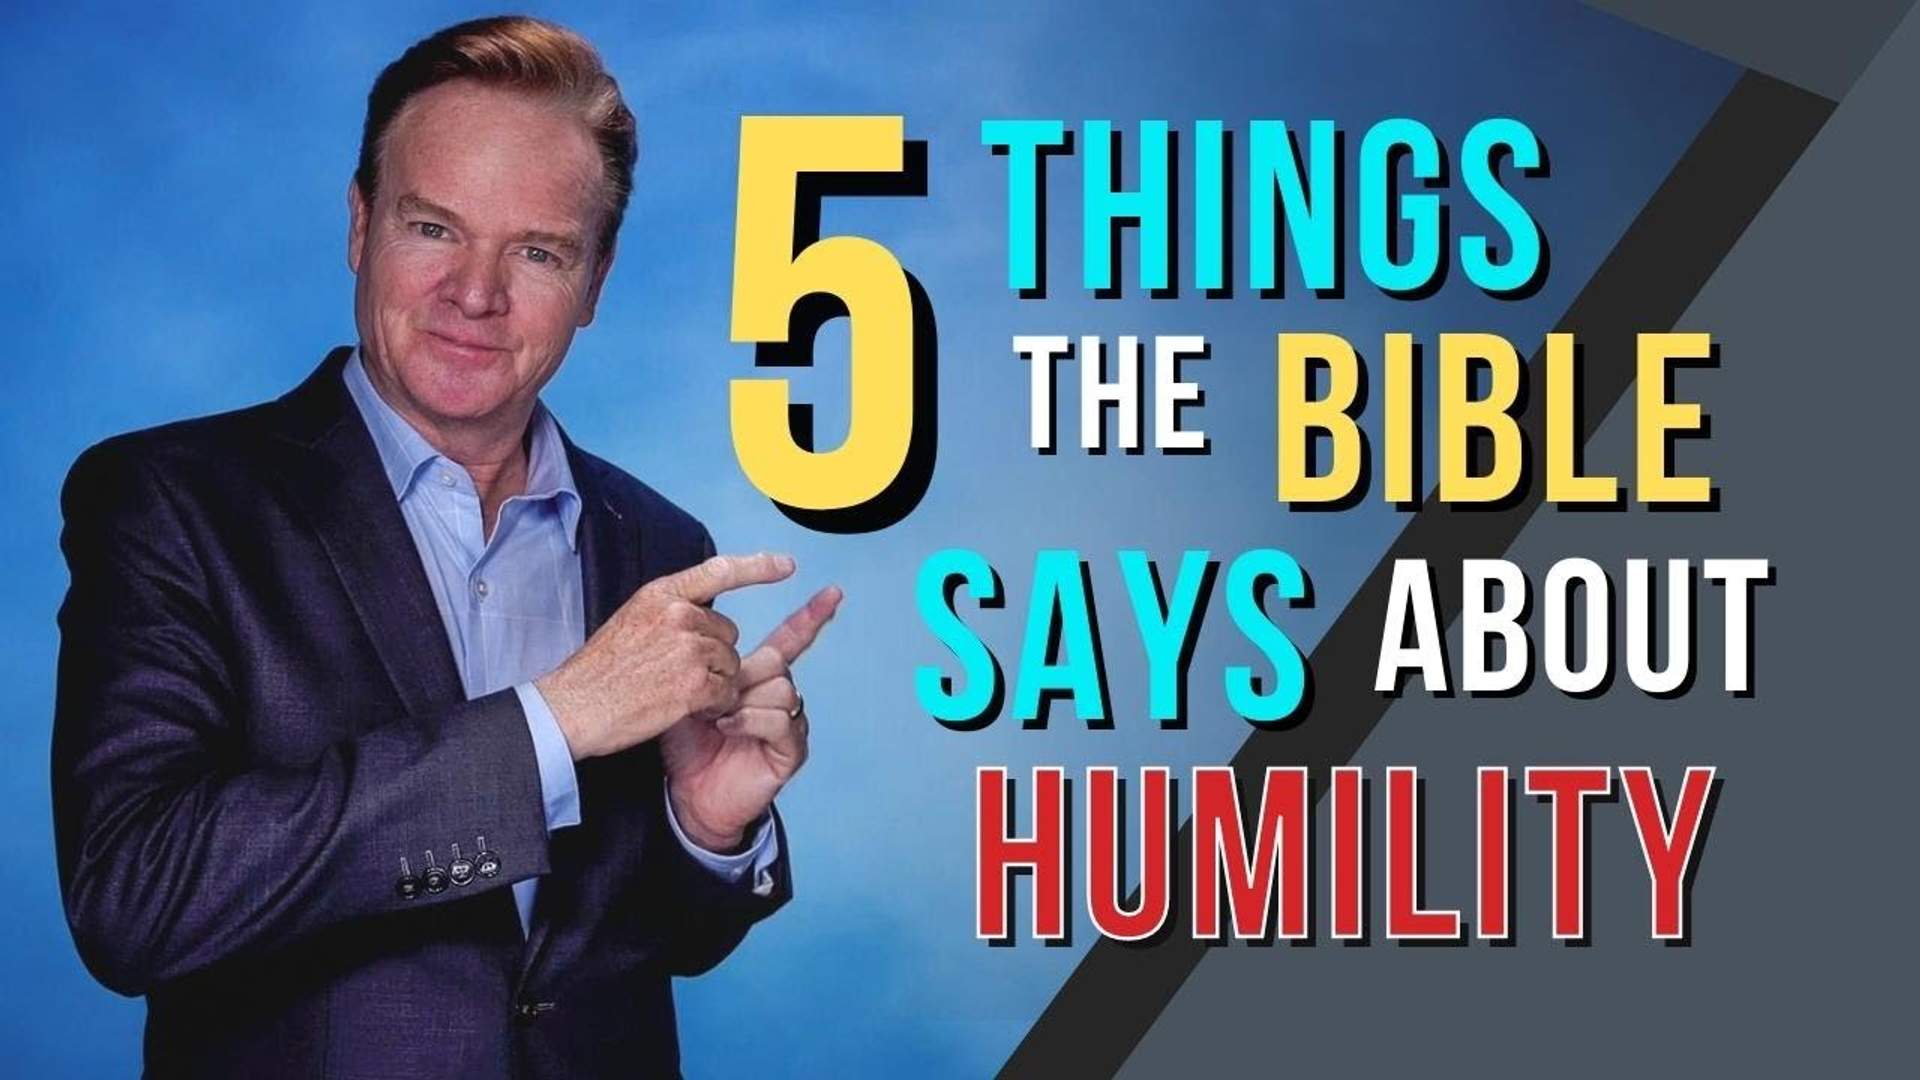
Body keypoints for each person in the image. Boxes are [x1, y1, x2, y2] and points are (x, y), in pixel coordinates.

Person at [50, 15, 837, 1077]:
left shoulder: (658, 544)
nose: (476, 292)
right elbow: (135, 898)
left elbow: (636, 952)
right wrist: (551, 728)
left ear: (596, 284)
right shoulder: (173, 503)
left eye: (538, 251)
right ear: (359, 225)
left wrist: (707, 830)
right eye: (434, 229)